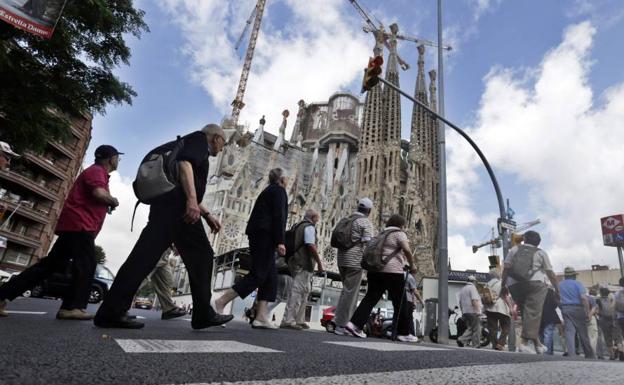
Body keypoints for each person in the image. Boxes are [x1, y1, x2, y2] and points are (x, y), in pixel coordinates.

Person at [95, 124, 232, 329]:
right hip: (178, 211)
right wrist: (192, 202)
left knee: (143, 259)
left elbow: (182, 180)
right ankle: (203, 313)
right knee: (202, 257)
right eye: (223, 143)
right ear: (216, 138)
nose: (222, 149)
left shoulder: (189, 143)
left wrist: (206, 213)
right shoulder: (198, 140)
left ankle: (111, 310)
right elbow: (185, 164)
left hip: (168, 208)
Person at [0, 145, 121, 320]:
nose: (118, 161)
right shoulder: (97, 171)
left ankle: (3, 295)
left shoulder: (97, 172)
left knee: (50, 266)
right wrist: (113, 201)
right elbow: (99, 193)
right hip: (80, 225)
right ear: (111, 158)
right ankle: (72, 307)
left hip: (75, 225)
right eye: (118, 158)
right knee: (87, 264)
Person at [214, 168, 288, 329]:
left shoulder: (268, 191)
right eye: (286, 179)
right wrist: (280, 241)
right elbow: (279, 217)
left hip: (259, 235)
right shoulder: (279, 191)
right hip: (265, 236)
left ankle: (261, 316)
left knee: (270, 278)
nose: (287, 182)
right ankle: (221, 301)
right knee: (257, 275)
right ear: (282, 180)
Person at [344, 214, 419, 343]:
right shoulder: (399, 233)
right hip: (393, 271)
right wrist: (412, 265)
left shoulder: (380, 234)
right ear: (401, 225)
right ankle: (404, 333)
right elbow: (406, 249)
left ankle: (354, 325)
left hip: (375, 270)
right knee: (400, 302)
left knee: (370, 298)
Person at [501, 230, 560, 354]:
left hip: (514, 284)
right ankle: (523, 343)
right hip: (535, 284)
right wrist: (557, 289)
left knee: (526, 312)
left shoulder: (515, 249)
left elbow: (506, 268)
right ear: (538, 242)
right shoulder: (541, 253)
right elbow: (550, 273)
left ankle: (538, 344)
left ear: (525, 240)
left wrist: (503, 285)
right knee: (533, 313)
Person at [333, 198, 374, 336]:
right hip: (355, 261)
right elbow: (369, 244)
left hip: (341, 260)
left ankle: (337, 320)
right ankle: (341, 325)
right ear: (369, 210)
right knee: (350, 293)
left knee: (346, 291)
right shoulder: (365, 222)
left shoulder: (347, 218)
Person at [280, 209, 323, 330]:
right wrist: (319, 263)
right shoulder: (308, 227)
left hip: (301, 263)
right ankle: (288, 320)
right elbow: (310, 245)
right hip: (302, 263)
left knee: (305, 292)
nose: (317, 221)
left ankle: (299, 319)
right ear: (313, 217)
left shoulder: (297, 225)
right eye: (317, 219)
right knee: (297, 292)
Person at [558, 267, 595, 359]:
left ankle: (571, 354)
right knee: (583, 332)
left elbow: (557, 297)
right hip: (577, 308)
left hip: (565, 308)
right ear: (574, 275)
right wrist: (587, 311)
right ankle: (589, 354)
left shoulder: (559, 285)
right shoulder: (577, 284)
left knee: (569, 332)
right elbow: (583, 298)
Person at [149, 246, 187, 320]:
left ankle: (168, 309)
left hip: (166, 252)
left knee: (167, 280)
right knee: (142, 276)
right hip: (159, 247)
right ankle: (121, 306)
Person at [484, 268, 511, 350]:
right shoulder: (501, 283)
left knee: (492, 328)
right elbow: (506, 296)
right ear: (499, 274)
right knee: (506, 325)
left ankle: (495, 344)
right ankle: (500, 343)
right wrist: (510, 307)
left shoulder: (486, 285)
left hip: (489, 307)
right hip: (501, 307)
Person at [457, 275, 482, 348]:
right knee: (477, 328)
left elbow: (460, 302)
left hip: (465, 311)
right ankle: (476, 344)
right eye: (476, 282)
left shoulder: (463, 289)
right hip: (472, 311)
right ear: (474, 281)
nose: (476, 283)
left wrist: (462, 312)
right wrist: (478, 311)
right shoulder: (472, 288)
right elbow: (474, 300)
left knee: (471, 327)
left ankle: (461, 339)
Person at [539, 286, 562, 355]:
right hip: (550, 315)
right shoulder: (550, 291)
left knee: (541, 334)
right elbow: (555, 304)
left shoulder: (535, 291)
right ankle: (548, 352)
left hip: (539, 315)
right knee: (548, 333)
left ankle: (545, 350)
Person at [405, 271, 423, 337]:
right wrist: (421, 302)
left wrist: (414, 303)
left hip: (405, 300)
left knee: (407, 318)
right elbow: (415, 292)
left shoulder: (404, 276)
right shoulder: (410, 277)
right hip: (408, 300)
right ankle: (411, 334)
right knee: (409, 318)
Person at [614, 277, 624, 360]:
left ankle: (622, 353)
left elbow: (613, 306)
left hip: (620, 318)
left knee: (621, 336)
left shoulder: (617, 294)